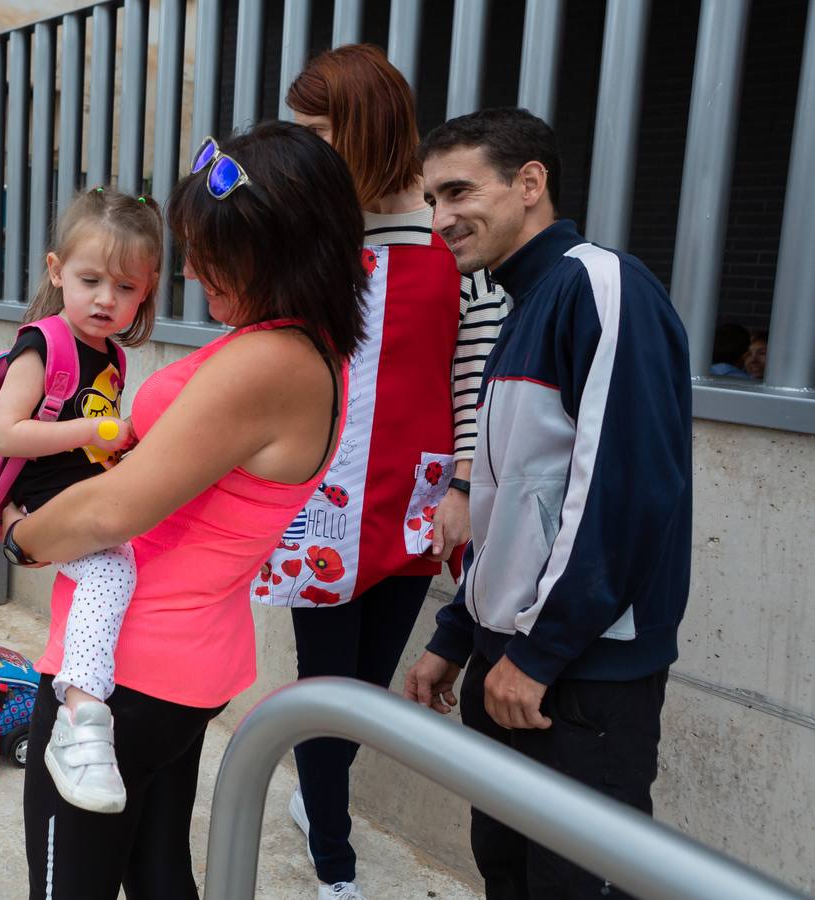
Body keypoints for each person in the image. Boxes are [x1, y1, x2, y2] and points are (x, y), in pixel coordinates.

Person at [6, 122, 365, 899]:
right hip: (184, 661)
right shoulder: (305, 345)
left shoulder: (270, 362)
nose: (193, 269)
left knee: (70, 883)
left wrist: (18, 539)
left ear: (279, 251)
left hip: (128, 667)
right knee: (159, 868)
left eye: (211, 252)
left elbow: (111, 513)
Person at [404, 108, 692, 899]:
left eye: (458, 191)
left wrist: (535, 654)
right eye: (431, 199)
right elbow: (507, 505)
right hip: (512, 661)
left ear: (530, 183)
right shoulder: (519, 304)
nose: (440, 219)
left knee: (575, 884)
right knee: (509, 872)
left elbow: (626, 495)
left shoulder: (599, 285)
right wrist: (457, 635)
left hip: (577, 673)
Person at [265, 44, 509, 900]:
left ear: (366, 132)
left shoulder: (449, 238)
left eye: (320, 136)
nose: (306, 156)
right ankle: (335, 863)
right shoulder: (309, 233)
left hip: (415, 502)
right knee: (326, 684)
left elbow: (472, 375)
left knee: (363, 687)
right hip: (320, 499)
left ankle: (312, 800)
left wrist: (463, 486)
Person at [0, 185, 161, 814]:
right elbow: (7, 431)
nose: (106, 300)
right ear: (58, 271)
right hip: (46, 504)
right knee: (111, 571)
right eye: (91, 280)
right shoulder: (44, 343)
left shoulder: (109, 354)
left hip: (85, 493)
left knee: (118, 573)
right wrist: (96, 431)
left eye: (126, 288)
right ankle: (82, 712)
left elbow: (95, 441)